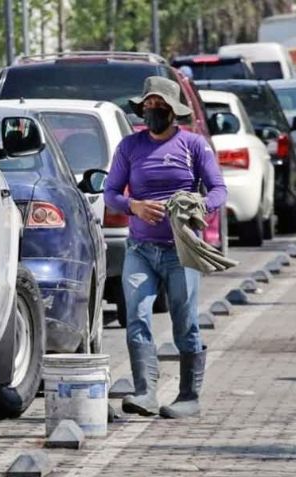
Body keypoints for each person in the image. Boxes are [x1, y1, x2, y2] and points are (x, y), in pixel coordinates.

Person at [104, 76, 227, 419]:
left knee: (184, 321)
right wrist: (135, 206)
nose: (153, 111)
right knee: (137, 316)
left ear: (174, 112)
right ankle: (144, 392)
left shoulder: (194, 145)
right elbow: (111, 193)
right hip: (140, 249)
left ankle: (189, 395)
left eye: (160, 106)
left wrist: (198, 205)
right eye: (149, 105)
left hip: (180, 250)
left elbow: (218, 189)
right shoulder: (129, 147)